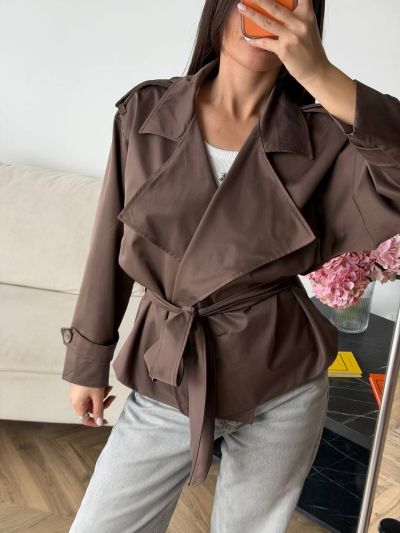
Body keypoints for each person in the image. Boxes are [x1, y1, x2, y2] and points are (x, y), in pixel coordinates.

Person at [61, 0, 400, 531]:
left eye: (287, 4)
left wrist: (320, 73)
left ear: (308, 24)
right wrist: (88, 358)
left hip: (283, 377)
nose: (267, 15)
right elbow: (109, 244)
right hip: (172, 368)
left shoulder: (323, 138)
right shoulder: (146, 112)